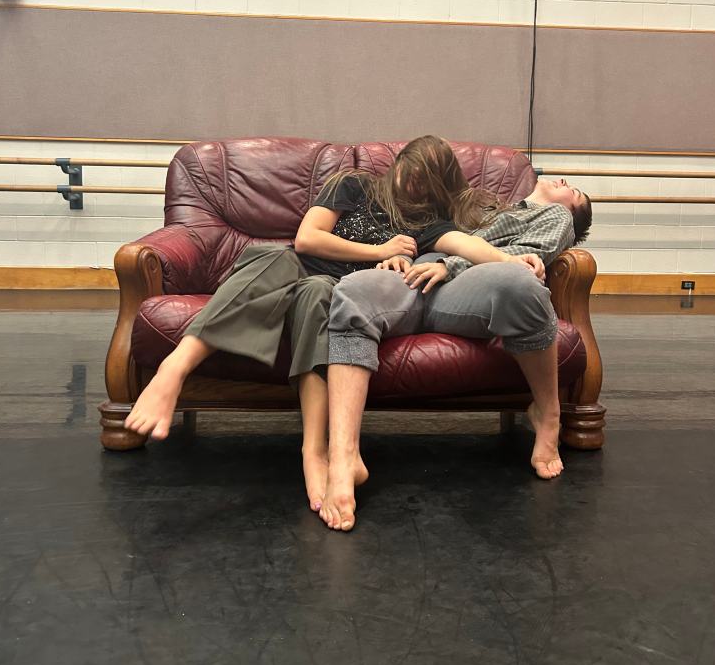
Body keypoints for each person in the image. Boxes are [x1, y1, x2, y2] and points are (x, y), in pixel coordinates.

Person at [123, 136, 512, 510]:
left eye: (422, 184)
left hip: (332, 289)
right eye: (407, 175)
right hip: (287, 270)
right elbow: (307, 239)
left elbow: (469, 246)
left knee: (319, 296)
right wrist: (380, 250)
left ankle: (314, 451)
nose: (409, 187)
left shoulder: (426, 226)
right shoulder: (355, 185)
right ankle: (174, 369)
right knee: (275, 259)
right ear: (397, 165)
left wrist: (511, 261)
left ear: (437, 187)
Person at [318, 177, 593, 531]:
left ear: (571, 211)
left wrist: (450, 266)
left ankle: (549, 414)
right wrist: (397, 254)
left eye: (574, 192)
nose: (566, 182)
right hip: (416, 272)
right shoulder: (489, 204)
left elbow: (527, 259)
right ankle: (344, 458)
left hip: (464, 285)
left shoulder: (556, 216)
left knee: (521, 286)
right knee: (352, 291)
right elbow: (424, 226)